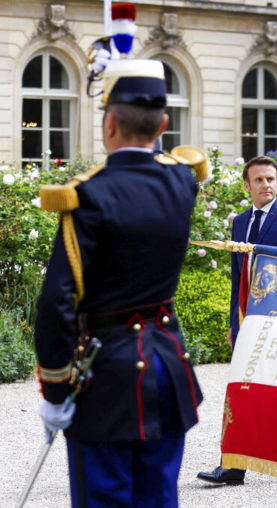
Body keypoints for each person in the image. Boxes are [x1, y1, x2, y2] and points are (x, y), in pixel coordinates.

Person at [34, 58, 207, 507]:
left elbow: (58, 301)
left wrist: (55, 389)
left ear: (109, 123)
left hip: (107, 374)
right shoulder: (182, 181)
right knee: (158, 497)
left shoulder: (88, 194)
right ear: (164, 123)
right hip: (169, 364)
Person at [197, 154, 277, 485]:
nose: (267, 185)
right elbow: (238, 280)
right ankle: (233, 467)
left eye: (272, 179)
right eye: (260, 180)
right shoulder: (239, 222)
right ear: (247, 185)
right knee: (242, 393)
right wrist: (234, 325)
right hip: (249, 322)